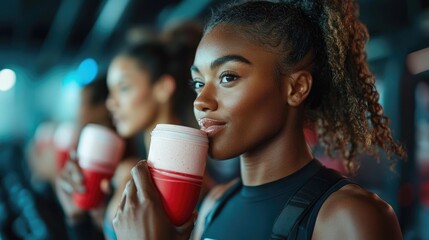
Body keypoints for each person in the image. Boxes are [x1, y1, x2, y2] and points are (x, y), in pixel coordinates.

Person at [112, 0, 407, 239]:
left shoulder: (350, 218)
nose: (201, 101)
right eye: (199, 83)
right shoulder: (214, 205)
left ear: (296, 88)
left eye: (228, 77)